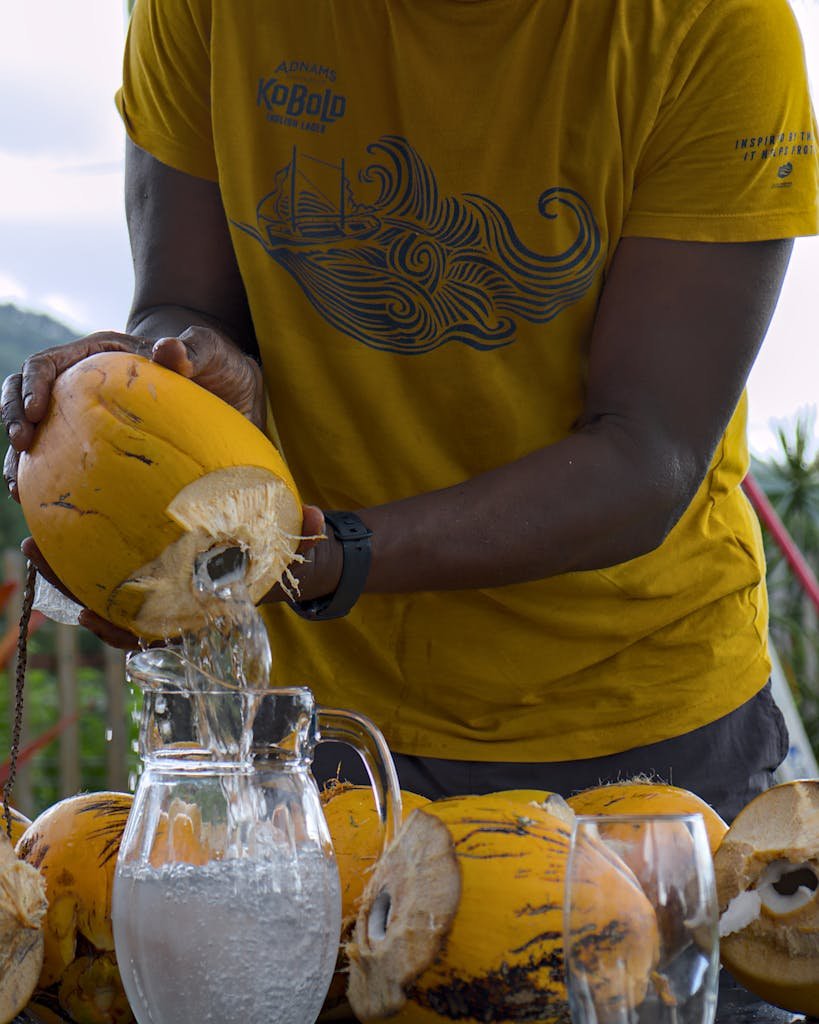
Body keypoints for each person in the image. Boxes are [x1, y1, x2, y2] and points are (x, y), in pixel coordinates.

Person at [3, 0, 818, 824]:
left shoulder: (711, 27)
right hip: (308, 720)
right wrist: (171, 380)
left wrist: (318, 558)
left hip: (629, 723)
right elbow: (181, 303)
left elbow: (646, 458)